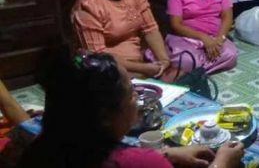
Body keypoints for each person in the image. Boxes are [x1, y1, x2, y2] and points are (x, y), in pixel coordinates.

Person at [19, 52, 245, 168]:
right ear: (106, 117)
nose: (137, 99)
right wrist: (223, 163)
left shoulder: (38, 148)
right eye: (131, 93)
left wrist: (166, 152)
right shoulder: (139, 162)